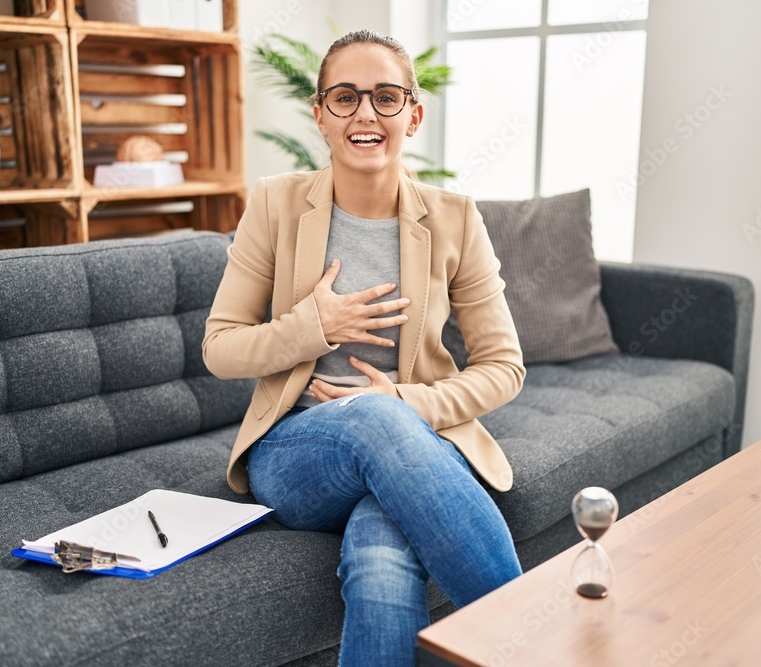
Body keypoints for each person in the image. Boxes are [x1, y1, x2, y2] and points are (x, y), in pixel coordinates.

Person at [202, 29, 525, 667]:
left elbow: (503, 366)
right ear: (320, 115)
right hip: (296, 452)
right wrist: (313, 326)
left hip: (415, 445)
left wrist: (406, 400)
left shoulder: (455, 218)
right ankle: (530, 644)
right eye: (346, 98)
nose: (366, 114)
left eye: (385, 97)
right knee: (375, 419)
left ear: (413, 112)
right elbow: (220, 348)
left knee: (381, 561)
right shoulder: (275, 204)